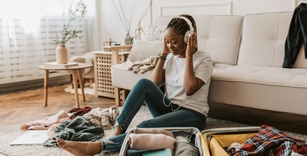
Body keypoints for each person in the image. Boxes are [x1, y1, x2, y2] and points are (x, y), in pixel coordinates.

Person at [56, 14, 214, 155]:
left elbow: (189, 89)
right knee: (143, 83)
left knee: (145, 125)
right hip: (169, 109)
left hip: (192, 115)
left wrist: (188, 57)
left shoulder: (204, 60)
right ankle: (119, 129)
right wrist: (164, 54)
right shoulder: (171, 56)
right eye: (167, 42)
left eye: (174, 42)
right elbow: (154, 83)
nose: (170, 46)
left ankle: (100, 146)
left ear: (188, 39)